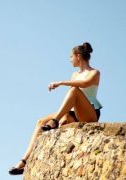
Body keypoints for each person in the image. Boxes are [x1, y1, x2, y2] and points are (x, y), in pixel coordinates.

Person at [9, 42, 103, 175]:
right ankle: (24, 161)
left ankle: (55, 121)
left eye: (71, 56)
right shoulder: (74, 75)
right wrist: (65, 115)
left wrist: (60, 83)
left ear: (78, 56)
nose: (70, 59)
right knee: (40, 122)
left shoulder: (95, 72)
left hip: (90, 113)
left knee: (75, 90)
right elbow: (71, 99)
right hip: (73, 112)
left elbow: (85, 83)